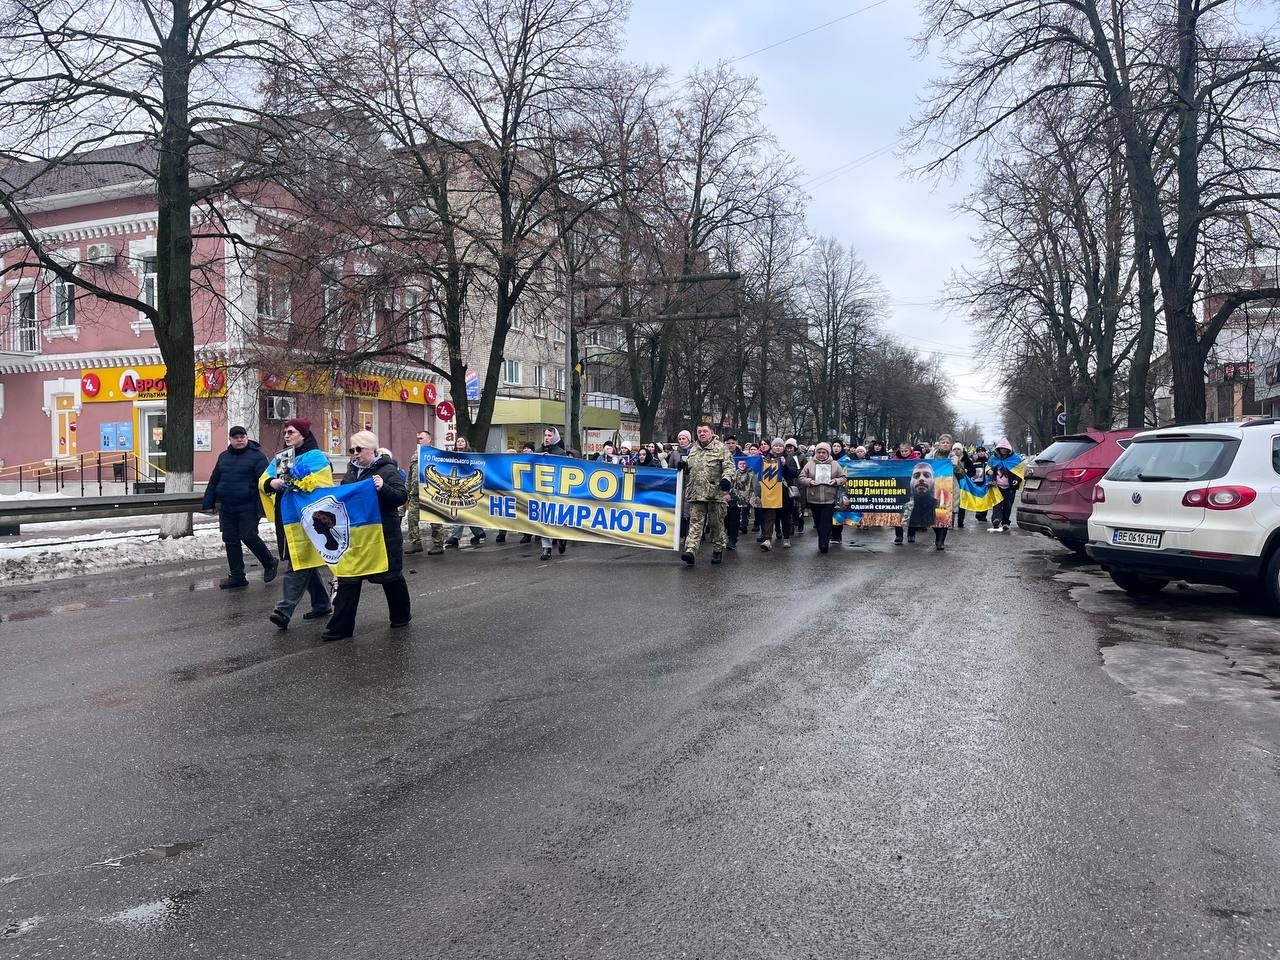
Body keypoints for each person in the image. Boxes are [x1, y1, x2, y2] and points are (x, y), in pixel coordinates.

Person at [322, 431, 412, 641]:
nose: (354, 454)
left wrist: (383, 488)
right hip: (357, 536)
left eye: (358, 449)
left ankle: (401, 616)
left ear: (372, 449)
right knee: (349, 579)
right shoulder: (352, 471)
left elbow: (401, 497)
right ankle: (340, 628)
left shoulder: (388, 470)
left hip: (383, 535)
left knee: (391, 578)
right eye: (351, 450)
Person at [262, 419, 334, 629]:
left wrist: (300, 483)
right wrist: (271, 482)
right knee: (303, 559)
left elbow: (323, 484)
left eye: (291, 432)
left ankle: (284, 610)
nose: (286, 435)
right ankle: (321, 603)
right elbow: (263, 478)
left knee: (299, 558)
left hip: (308, 517)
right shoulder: (281, 458)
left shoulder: (316, 457)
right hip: (286, 515)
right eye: (285, 432)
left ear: (303, 434)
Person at [202, 425, 276, 589]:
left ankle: (270, 562)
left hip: (248, 506)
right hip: (227, 507)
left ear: (246, 437)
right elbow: (214, 481)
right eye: (236, 437)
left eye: (242, 436)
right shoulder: (223, 457)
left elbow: (265, 480)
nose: (239, 439)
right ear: (230, 439)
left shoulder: (257, 457)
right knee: (230, 539)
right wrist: (208, 503)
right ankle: (237, 576)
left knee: (248, 535)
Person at [679, 423, 736, 565]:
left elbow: (729, 467)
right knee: (695, 524)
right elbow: (693, 468)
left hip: (715, 494)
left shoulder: (721, 448)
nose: (702, 434)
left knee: (716, 524)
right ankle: (690, 551)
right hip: (696, 493)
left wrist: (726, 479)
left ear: (712, 433)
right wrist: (684, 467)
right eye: (699, 431)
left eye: (705, 431)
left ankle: (717, 549)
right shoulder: (693, 449)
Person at [799, 442, 846, 554]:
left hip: (829, 498)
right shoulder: (810, 464)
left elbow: (843, 477)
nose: (821, 454)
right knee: (818, 521)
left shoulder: (834, 464)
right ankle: (823, 538)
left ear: (828, 453)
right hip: (813, 498)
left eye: (823, 452)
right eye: (819, 452)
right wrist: (809, 481)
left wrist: (835, 481)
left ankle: (823, 544)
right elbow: (801, 477)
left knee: (826, 521)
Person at [406, 429, 446, 556]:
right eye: (418, 439)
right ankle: (415, 543)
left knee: (435, 519)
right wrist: (407, 489)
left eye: (421, 438)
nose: (419, 440)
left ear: (429, 440)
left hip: (431, 493)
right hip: (416, 494)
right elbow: (410, 473)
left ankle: (438, 544)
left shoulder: (436, 455)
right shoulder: (415, 455)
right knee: (412, 518)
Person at [445, 435, 487, 547]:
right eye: (458, 441)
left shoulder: (471, 455)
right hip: (454, 485)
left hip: (467, 485)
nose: (459, 443)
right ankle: (479, 532)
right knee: (464, 511)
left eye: (462, 441)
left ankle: (455, 537)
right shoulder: (450, 456)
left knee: (461, 510)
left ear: (466, 443)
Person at [895, 459, 942, 547]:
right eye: (916, 476)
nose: (921, 479)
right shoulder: (905, 508)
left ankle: (939, 541)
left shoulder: (941, 507)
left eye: (926, 475)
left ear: (934, 480)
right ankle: (900, 536)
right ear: (910, 481)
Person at [757, 438, 792, 550]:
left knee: (785, 515)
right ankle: (767, 539)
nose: (778, 447)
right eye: (775, 445)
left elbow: (794, 473)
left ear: (783, 447)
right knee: (769, 515)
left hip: (784, 492)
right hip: (770, 492)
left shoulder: (790, 458)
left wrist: (785, 465)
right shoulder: (765, 458)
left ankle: (786, 537)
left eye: (780, 446)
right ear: (772, 447)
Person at [988, 437, 1022, 532]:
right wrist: (989, 471)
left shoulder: (1015, 458)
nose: (1003, 450)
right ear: (998, 449)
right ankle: (996, 519)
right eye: (1001, 448)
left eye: (1005, 448)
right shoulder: (993, 458)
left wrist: (1017, 480)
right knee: (997, 503)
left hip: (1010, 487)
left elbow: (1020, 471)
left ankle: (1005, 522)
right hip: (996, 485)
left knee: (1008, 505)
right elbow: (988, 467)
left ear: (1008, 449)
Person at [726, 454, 759, 551]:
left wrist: (756, 495)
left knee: (743, 513)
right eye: (741, 464)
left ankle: (736, 534)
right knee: (728, 517)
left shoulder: (751, 473)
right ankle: (732, 533)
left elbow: (755, 484)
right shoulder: (735, 472)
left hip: (747, 495)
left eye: (744, 463)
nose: (742, 465)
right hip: (734, 496)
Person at [783, 438, 805, 534]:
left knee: (798, 506)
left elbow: (805, 470)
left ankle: (800, 521)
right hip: (788, 484)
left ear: (795, 447)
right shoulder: (783, 457)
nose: (789, 449)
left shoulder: (801, 457)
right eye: (787, 447)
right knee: (790, 506)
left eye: (791, 447)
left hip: (799, 484)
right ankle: (790, 527)